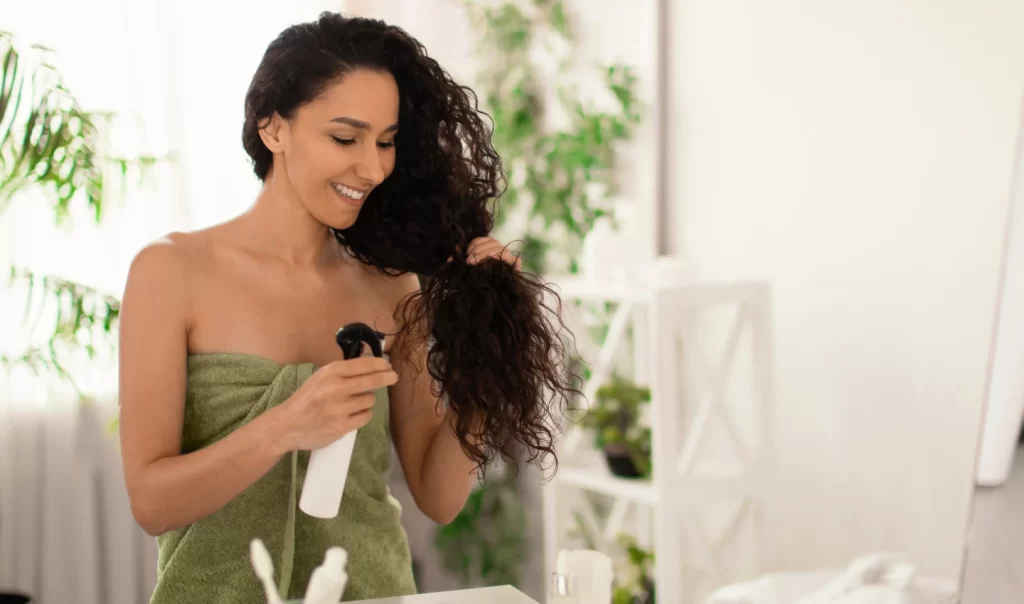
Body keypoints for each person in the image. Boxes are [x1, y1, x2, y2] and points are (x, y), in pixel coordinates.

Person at [116, 11, 577, 604]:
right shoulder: (171, 272)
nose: (372, 167)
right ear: (273, 128)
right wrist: (285, 427)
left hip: (373, 589)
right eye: (345, 137)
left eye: (386, 142)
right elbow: (152, 502)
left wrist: (488, 339)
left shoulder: (389, 288)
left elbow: (439, 499)